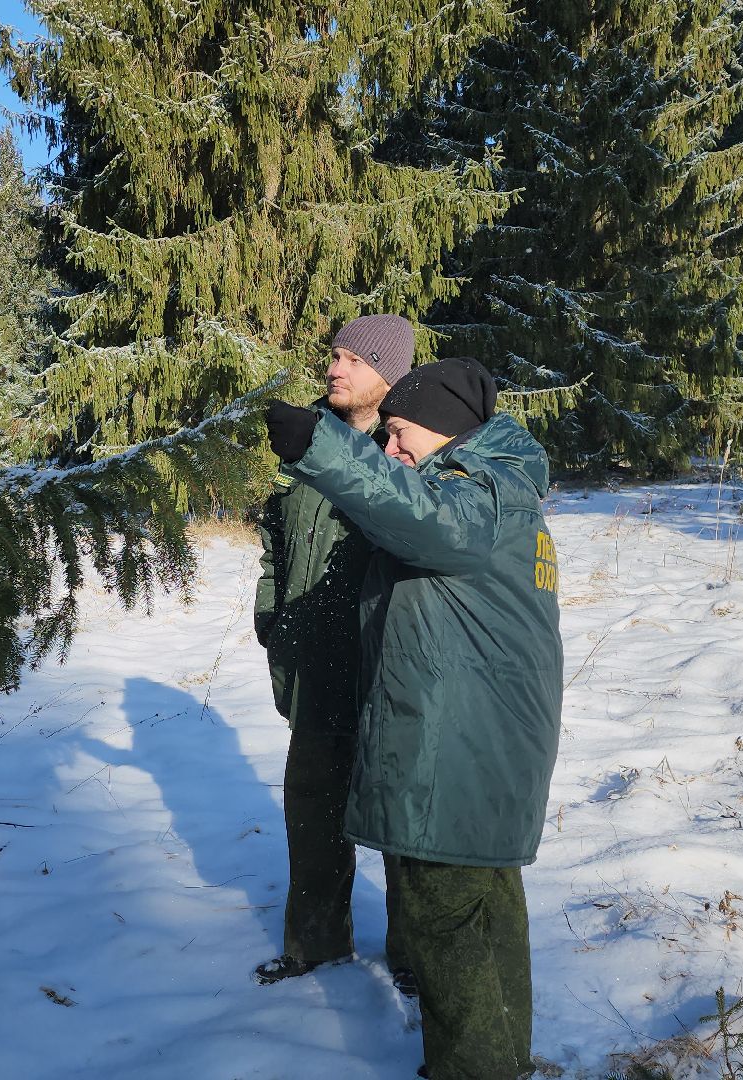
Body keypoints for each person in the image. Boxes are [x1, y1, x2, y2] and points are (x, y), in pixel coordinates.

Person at [262, 359, 563, 1080]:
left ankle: (474, 1068)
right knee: (489, 916)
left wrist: (321, 448)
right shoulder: (504, 486)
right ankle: (500, 1060)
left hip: (453, 744)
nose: (392, 451)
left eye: (400, 435)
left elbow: (423, 521)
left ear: (448, 428)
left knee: (446, 923)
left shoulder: (475, 491)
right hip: (481, 736)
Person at [252, 314, 415, 987]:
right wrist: (272, 615)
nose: (334, 368)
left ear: (391, 375)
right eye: (333, 355)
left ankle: (415, 960)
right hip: (315, 661)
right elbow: (275, 537)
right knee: (312, 813)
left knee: (406, 827)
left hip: (389, 670)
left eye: (352, 358)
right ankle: (315, 947)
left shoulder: (412, 445)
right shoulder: (305, 437)